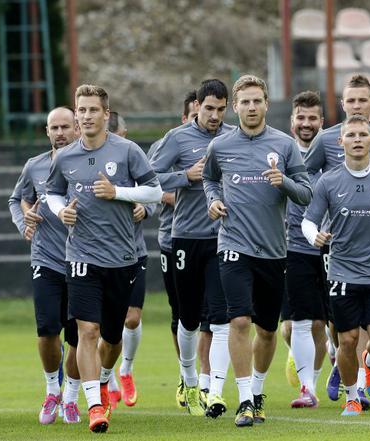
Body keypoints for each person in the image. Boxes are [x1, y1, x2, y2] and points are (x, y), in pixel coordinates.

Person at [45, 84, 162, 433]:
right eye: (81, 110)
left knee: (112, 338)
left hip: (123, 258)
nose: (86, 116)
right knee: (87, 330)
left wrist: (118, 193)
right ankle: (94, 405)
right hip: (81, 255)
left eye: (93, 110)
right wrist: (61, 209)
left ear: (105, 114)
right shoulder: (65, 156)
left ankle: (107, 378)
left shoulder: (127, 151)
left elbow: (155, 191)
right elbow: (52, 192)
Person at [202, 74, 312, 427]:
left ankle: (259, 391)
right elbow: (208, 179)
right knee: (239, 319)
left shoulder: (284, 145)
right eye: (245, 102)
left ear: (266, 104)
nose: (251, 107)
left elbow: (307, 193)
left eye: (257, 101)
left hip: (274, 251)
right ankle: (245, 398)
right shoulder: (220, 146)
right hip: (233, 245)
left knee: (267, 330)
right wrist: (214, 200)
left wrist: (286, 182)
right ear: (235, 107)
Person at [302, 114, 370, 416]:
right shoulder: (329, 181)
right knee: (347, 339)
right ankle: (352, 397)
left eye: (363, 134)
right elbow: (308, 221)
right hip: (341, 274)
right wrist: (315, 236)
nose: (357, 140)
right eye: (351, 135)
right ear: (341, 142)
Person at [150, 79, 234, 418]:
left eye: (220, 109)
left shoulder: (232, 138)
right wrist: (185, 175)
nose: (214, 115)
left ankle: (214, 391)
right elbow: (148, 178)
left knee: (221, 317)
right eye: (208, 108)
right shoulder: (178, 138)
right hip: (184, 237)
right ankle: (188, 379)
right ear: (196, 106)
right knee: (187, 319)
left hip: (224, 238)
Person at [8, 106, 82, 424]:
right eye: (55, 128)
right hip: (46, 260)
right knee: (47, 331)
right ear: (47, 131)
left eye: (66, 126)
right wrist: (24, 218)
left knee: (79, 335)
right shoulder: (34, 166)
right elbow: (16, 199)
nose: (61, 133)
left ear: (78, 128)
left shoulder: (87, 164)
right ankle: (53, 390)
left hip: (85, 260)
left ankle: (72, 398)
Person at [279, 91, 328, 408]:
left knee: (321, 325)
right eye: (301, 117)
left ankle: (311, 384)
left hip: (329, 251)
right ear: (292, 120)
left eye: (313, 118)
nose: (306, 123)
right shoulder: (281, 152)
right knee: (290, 327)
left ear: (321, 122)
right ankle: (304, 374)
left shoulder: (334, 154)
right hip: (291, 248)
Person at [107, 110, 156, 410]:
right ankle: (107, 378)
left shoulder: (135, 161)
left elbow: (155, 197)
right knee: (102, 325)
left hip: (133, 253)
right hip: (98, 256)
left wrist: (144, 209)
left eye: (118, 133)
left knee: (132, 317)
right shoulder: (88, 161)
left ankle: (125, 370)